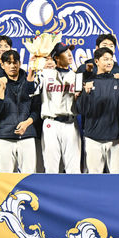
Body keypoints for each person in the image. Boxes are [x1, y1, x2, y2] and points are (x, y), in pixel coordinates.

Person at [76, 48, 119, 173]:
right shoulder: (87, 83)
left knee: (117, 177)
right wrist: (85, 93)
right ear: (96, 61)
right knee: (94, 179)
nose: (109, 62)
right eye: (105, 59)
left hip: (116, 140)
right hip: (93, 139)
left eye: (111, 59)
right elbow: (81, 110)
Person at [28, 42, 81, 174]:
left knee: (73, 167)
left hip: (70, 123)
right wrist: (33, 69)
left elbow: (80, 103)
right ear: (56, 57)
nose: (70, 54)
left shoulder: (77, 76)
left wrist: (79, 95)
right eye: (65, 51)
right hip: (51, 123)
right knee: (51, 166)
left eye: (70, 51)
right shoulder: (44, 74)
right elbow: (29, 91)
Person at [0, 50, 39, 173]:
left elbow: (36, 110)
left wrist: (26, 124)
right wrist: (2, 88)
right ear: (2, 65)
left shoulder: (30, 82)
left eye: (15, 62)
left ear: (20, 63)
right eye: (8, 63)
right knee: (4, 177)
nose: (12, 66)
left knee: (29, 175)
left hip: (27, 136)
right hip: (4, 137)